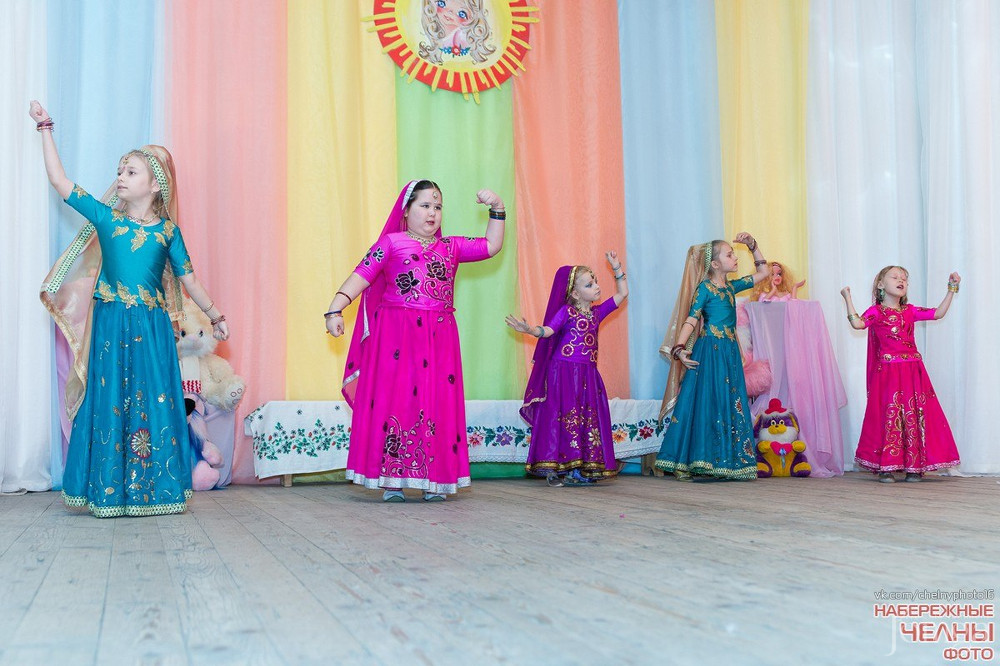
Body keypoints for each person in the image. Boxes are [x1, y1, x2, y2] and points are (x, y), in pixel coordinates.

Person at [31, 100, 229, 517]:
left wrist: (215, 316)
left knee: (155, 400)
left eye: (131, 172)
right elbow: (60, 181)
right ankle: (108, 491)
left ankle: (154, 491)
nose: (120, 177)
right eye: (120, 171)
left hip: (153, 328)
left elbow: (189, 279)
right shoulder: (107, 219)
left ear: (156, 185)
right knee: (109, 398)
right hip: (111, 324)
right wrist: (45, 127)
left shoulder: (168, 232)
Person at [326, 179, 505, 501]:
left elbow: (491, 246)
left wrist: (498, 209)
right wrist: (334, 309)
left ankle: (434, 481)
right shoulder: (391, 243)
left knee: (437, 403)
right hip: (397, 336)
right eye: (425, 205)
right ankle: (392, 481)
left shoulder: (451, 247)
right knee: (396, 402)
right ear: (406, 211)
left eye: (437, 207)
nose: (432, 213)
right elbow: (362, 274)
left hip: (439, 338)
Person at [505, 252, 628, 485]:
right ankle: (555, 468)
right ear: (575, 293)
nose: (597, 287)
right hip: (562, 373)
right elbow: (548, 331)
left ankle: (578, 469)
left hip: (587, 375)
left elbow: (622, 294)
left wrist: (617, 268)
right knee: (561, 417)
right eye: (589, 284)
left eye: (595, 282)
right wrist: (529, 329)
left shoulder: (597, 313)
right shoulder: (566, 312)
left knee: (585, 418)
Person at [654, 234, 770, 480]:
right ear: (715, 264)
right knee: (704, 402)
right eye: (729, 254)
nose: (735, 257)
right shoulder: (705, 289)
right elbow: (691, 319)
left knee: (728, 402)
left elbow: (763, 272)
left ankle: (726, 462)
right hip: (710, 351)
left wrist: (753, 246)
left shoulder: (731, 287)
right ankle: (690, 461)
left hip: (729, 353)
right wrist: (679, 348)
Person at [840, 266, 961, 482]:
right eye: (895, 277)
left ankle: (914, 467)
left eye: (904, 278)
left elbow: (937, 313)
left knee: (914, 413)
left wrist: (951, 288)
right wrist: (847, 297)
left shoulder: (910, 311)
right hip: (888, 374)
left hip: (913, 371)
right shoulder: (876, 312)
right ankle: (886, 466)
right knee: (890, 414)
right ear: (880, 284)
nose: (901, 281)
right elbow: (858, 323)